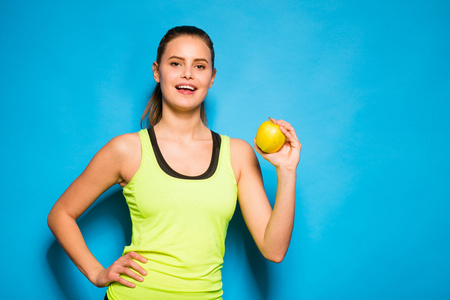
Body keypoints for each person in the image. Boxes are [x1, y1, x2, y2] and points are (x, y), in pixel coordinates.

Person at [47, 25, 301, 300]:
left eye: (200, 66)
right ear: (157, 71)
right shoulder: (126, 149)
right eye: (176, 63)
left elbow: (273, 251)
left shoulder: (237, 154)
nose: (188, 74)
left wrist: (286, 171)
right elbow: (60, 214)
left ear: (212, 77)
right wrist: (97, 273)